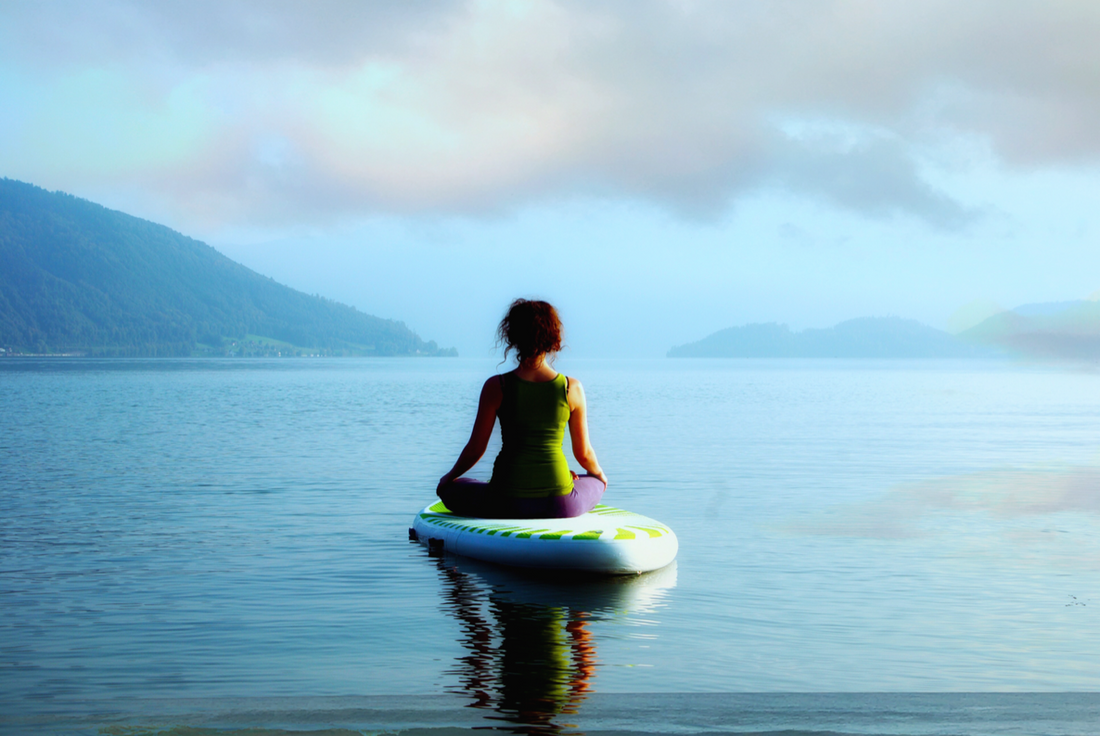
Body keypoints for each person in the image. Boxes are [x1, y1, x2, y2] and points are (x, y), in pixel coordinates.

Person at [436, 299, 608, 518]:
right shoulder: (571, 388)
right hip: (561, 505)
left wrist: (448, 478)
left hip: (505, 501)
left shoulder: (496, 387)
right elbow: (583, 454)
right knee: (593, 480)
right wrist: (600, 475)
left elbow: (475, 450)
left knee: (453, 486)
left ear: (512, 336)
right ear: (553, 337)